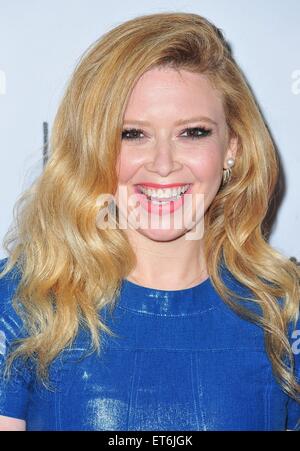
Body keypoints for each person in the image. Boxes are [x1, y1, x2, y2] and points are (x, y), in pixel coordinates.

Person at [0, 11, 299, 431]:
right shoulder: (22, 301)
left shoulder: (285, 312)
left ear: (232, 147)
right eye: (132, 134)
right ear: (93, 147)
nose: (163, 164)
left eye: (192, 132)